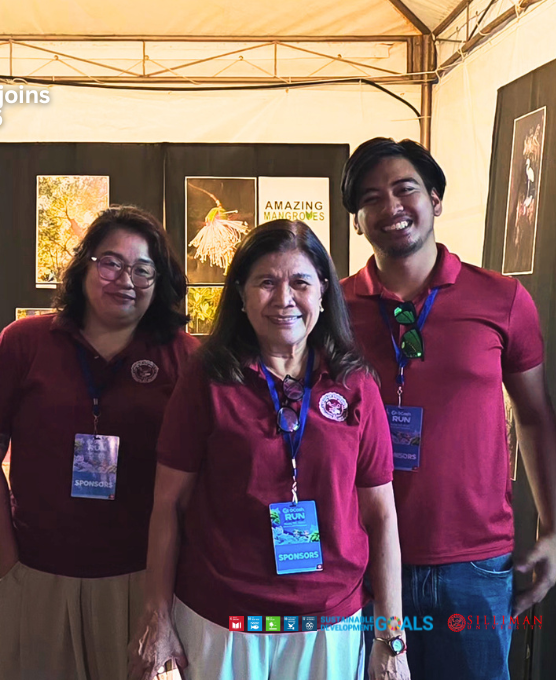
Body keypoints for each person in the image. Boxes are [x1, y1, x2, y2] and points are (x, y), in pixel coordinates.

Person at [130, 220, 408, 680]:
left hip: (329, 622)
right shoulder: (206, 379)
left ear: (323, 290)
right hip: (222, 619)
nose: (284, 299)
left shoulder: (356, 384)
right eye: (266, 282)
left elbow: (382, 517)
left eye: (300, 282)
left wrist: (391, 638)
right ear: (240, 294)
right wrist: (157, 617)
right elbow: (168, 505)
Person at [340, 138, 556, 680]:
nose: (390, 206)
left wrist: (554, 532)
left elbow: (535, 419)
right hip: (360, 561)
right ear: (357, 222)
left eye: (404, 188)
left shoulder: (502, 300)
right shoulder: (334, 311)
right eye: (370, 198)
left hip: (475, 563)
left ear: (436, 201)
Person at [0, 205, 198, 680]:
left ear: (160, 281)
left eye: (143, 268)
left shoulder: (184, 355)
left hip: (143, 581)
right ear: (85, 264)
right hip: (38, 573)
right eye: (111, 262)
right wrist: (9, 564)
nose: (125, 279)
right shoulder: (23, 342)